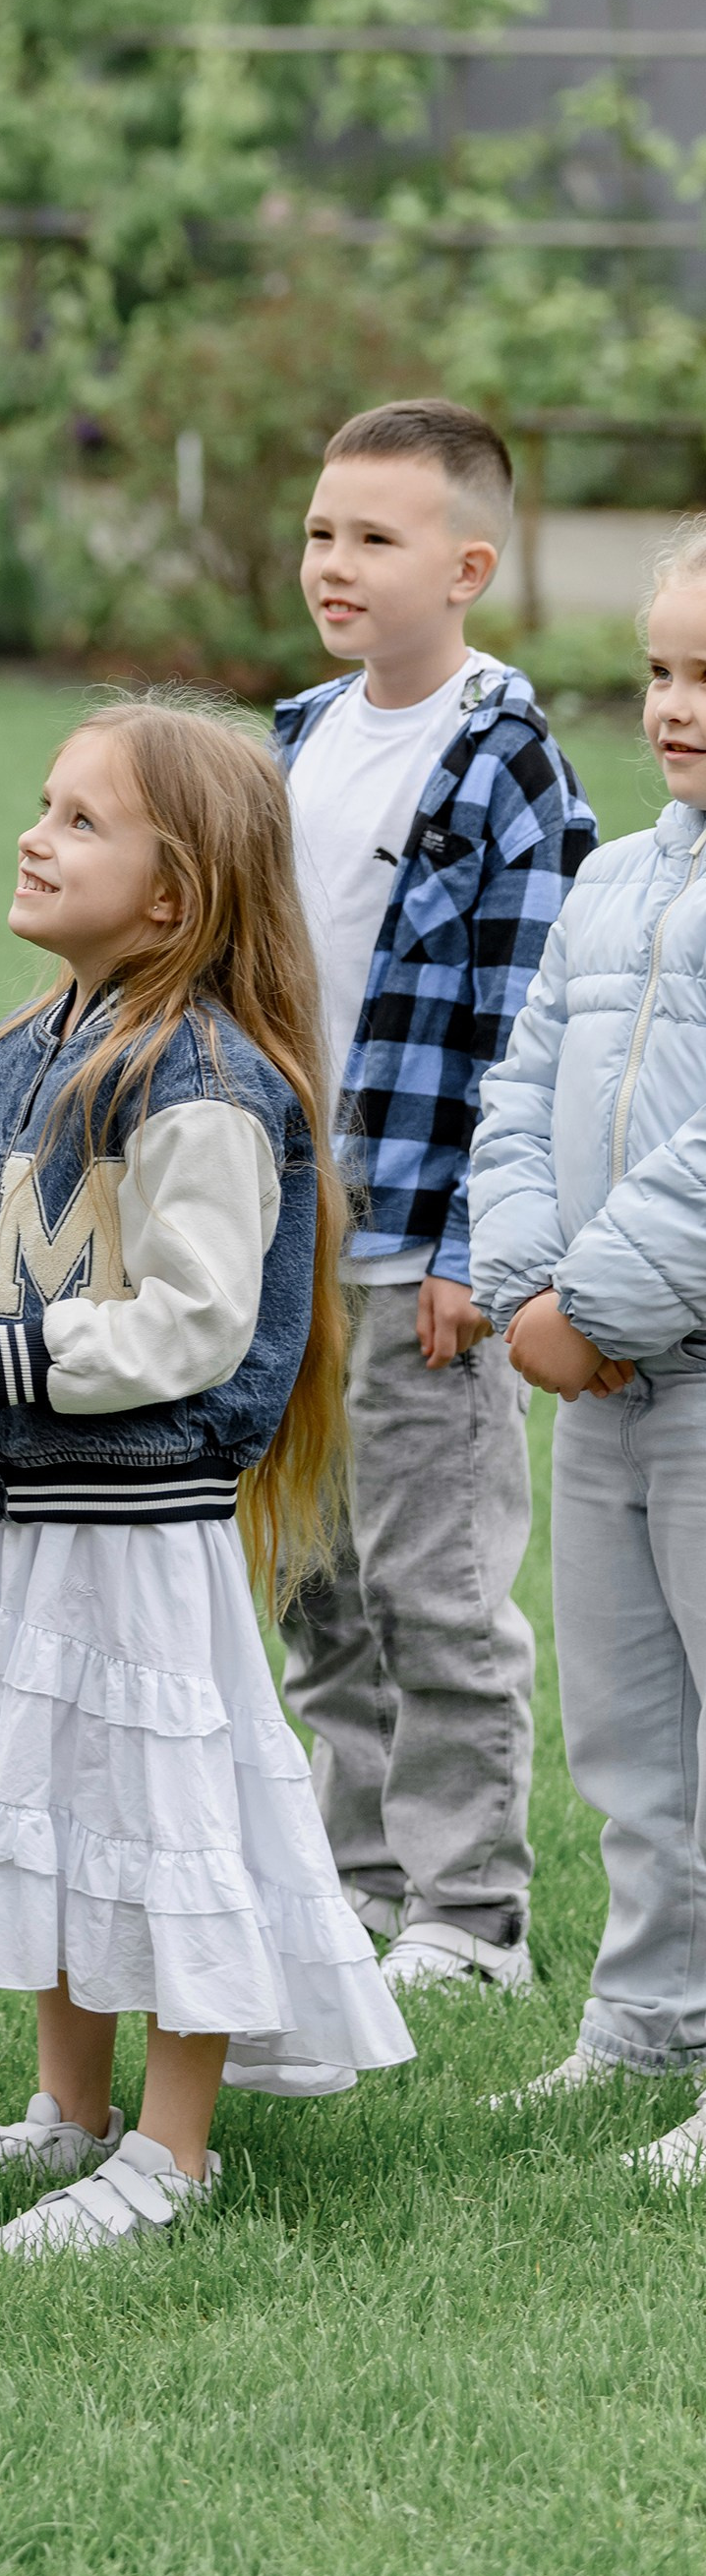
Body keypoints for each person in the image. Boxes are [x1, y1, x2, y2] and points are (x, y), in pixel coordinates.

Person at [0, 701, 415, 2256]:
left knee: (157, 1814)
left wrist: (1, 1362)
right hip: (31, 1514)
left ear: (175, 895)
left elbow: (201, 1324)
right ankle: (65, 2113)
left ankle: (173, 2149)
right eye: (44, 803)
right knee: (49, 1801)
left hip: (140, 1522)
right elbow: (31, 1265)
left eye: (84, 821)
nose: (37, 833)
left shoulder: (205, 1078)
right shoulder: (41, 1042)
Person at [273, 400, 594, 2013]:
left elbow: (529, 1033)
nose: (335, 563)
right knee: (313, 1581)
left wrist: (484, 1248)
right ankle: (357, 1878)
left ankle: (471, 1913)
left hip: (420, 1258)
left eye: (376, 539)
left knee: (435, 1586)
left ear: (468, 567)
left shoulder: (507, 763)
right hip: (287, 1254)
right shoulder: (295, 739)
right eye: (324, 530)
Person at [472, 525, 706, 2168]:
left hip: (673, 1372)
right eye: (664, 671)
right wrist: (526, 1292)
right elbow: (515, 1094)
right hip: (596, 1382)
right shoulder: (614, 877)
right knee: (626, 1734)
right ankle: (646, 2024)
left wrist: (596, 1310)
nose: (677, 708)